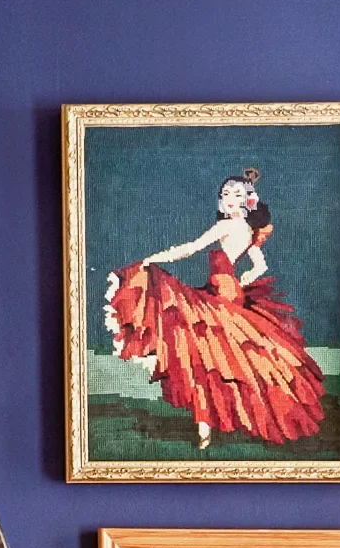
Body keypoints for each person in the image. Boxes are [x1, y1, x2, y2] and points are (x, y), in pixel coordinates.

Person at [103, 171, 323, 453]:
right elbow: (260, 267)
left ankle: (206, 427)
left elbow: (192, 248)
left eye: (237, 195)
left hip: (220, 294)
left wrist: (152, 259)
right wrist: (238, 283)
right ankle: (208, 426)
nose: (231, 200)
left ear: (246, 201)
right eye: (226, 195)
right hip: (228, 291)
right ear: (221, 199)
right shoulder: (248, 231)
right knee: (224, 358)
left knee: (205, 355)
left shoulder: (227, 227)